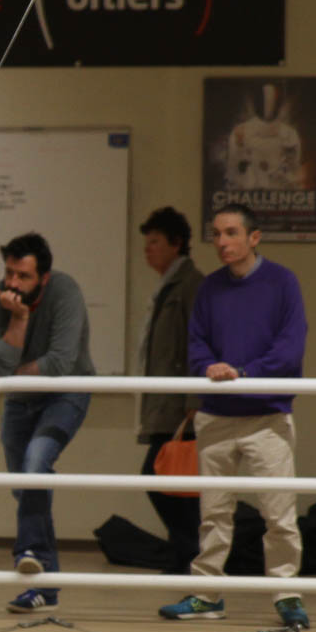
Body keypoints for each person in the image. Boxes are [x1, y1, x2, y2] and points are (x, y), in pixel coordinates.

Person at [159, 204, 310, 628]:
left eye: (230, 233)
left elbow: (289, 349)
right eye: (216, 234)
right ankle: (206, 594)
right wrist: (211, 368)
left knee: (278, 515)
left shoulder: (283, 283)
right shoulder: (209, 288)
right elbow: (196, 344)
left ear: (253, 237)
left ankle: (286, 594)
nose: (222, 242)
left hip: (267, 415)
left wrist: (243, 373)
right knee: (213, 514)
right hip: (217, 415)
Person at [0, 232, 95, 614]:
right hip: (19, 400)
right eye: (9, 273)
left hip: (66, 393)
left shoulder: (65, 291)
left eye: (23, 276)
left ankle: (29, 555)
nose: (13, 283)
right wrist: (19, 317)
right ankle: (46, 588)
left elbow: (60, 362)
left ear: (43, 277)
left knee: (35, 465)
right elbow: (0, 360)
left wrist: (4, 374)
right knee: (26, 485)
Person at [135, 207, 205, 573]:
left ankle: (190, 554)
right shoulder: (167, 286)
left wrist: (194, 400)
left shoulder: (191, 286)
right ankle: (186, 555)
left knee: (162, 478)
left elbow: (199, 344)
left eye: (155, 242)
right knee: (172, 483)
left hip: (180, 405)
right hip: (164, 401)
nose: (148, 249)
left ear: (176, 244)